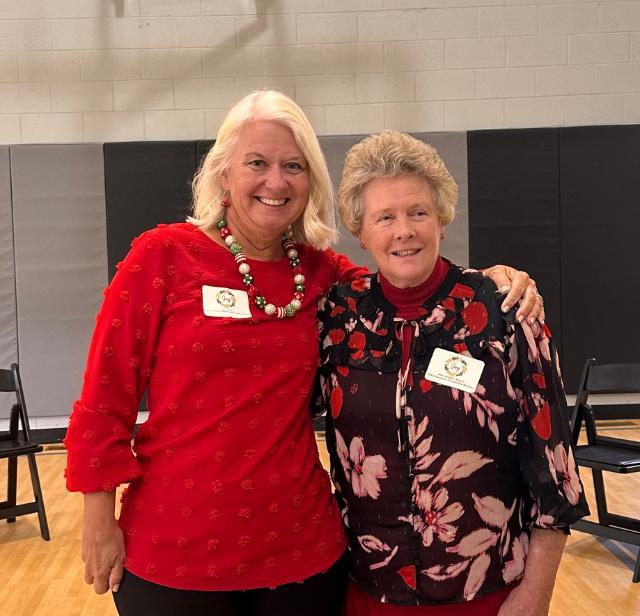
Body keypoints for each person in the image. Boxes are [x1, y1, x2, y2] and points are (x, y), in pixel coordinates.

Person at [65, 92, 543, 616]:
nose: (276, 181)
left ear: (310, 181)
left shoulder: (324, 277)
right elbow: (103, 399)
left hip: (301, 554)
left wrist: (491, 284)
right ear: (223, 173)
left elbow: (407, 279)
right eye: (257, 163)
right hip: (173, 550)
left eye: (293, 166)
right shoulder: (163, 256)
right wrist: (98, 517)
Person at [315, 130, 589, 616]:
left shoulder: (502, 309)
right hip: (367, 592)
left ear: (441, 218)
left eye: (418, 212)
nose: (404, 230)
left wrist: (536, 593)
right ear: (361, 232)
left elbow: (555, 466)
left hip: (487, 589)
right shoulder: (339, 316)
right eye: (385, 217)